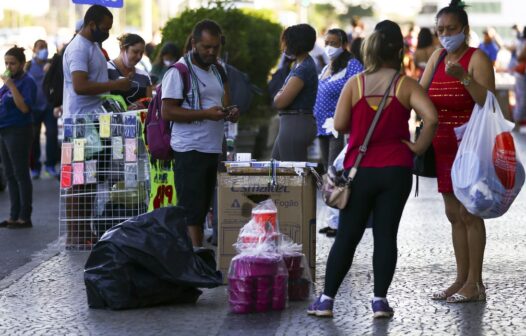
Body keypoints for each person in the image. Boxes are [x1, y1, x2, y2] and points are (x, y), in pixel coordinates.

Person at [307, 20, 438, 318]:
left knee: (347, 236)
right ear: (399, 50)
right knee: (386, 235)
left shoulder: (357, 84)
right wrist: (417, 148)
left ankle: (326, 301)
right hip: (396, 170)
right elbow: (430, 118)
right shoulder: (406, 85)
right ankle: (379, 301)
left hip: (359, 170)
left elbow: (339, 125)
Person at [420, 0, 495, 303]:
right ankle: (460, 279)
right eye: (440, 30)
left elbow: (488, 102)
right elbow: (419, 92)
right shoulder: (437, 57)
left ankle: (475, 284)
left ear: (464, 30)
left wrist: (463, 78)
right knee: (453, 214)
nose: (445, 34)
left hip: (471, 146)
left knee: (470, 213)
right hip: (443, 145)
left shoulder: (477, 58)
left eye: (451, 29)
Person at [161, 19, 238, 248]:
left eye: (215, 47)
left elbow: (220, 101)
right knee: (192, 210)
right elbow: (168, 111)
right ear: (194, 43)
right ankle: (195, 257)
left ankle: (197, 256)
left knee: (203, 206)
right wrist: (205, 113)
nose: (211, 51)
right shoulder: (179, 71)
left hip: (211, 147)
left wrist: (229, 112)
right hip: (189, 148)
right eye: (206, 47)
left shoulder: (216, 69)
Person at [62, 4, 131, 248]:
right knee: (79, 181)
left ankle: (85, 231)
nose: (107, 32)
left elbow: (95, 81)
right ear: (91, 24)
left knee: (90, 179)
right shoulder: (79, 48)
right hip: (81, 123)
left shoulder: (93, 47)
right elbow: (80, 86)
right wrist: (116, 86)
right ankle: (75, 235)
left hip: (93, 121)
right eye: (105, 28)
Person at [314, 28, 363, 237]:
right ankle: (331, 218)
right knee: (328, 172)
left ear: (343, 44)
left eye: (333, 43)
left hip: (339, 127)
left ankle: (338, 220)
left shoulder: (353, 65)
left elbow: (358, 92)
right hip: (322, 128)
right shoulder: (328, 66)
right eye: (327, 42)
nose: (329, 47)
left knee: (337, 171)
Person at [0, 46, 37, 229]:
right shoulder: (8, 82)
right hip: (5, 130)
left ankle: (25, 216)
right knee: (9, 174)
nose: (9, 66)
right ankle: (13, 215)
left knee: (20, 173)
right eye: (6, 63)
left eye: (12, 63)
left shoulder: (26, 82)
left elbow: (24, 108)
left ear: (22, 64)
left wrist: (11, 86)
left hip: (19, 130)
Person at [272, 24, 318, 161]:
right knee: (276, 169)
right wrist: (281, 92)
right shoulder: (299, 64)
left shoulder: (303, 69)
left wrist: (279, 93)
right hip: (292, 122)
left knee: (292, 175)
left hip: (295, 123)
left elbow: (280, 101)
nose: (284, 46)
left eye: (286, 42)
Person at [26, 39, 60, 179]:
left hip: (48, 107)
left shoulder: (51, 64)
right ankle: (35, 168)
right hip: (33, 108)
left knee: (52, 135)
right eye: (40, 47)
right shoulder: (28, 66)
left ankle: (50, 165)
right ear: (34, 50)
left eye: (45, 47)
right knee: (33, 138)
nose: (43, 50)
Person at [107, 33, 152, 104]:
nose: (139, 57)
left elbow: (150, 105)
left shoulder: (144, 76)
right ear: (123, 49)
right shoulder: (106, 69)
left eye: (141, 53)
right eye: (135, 52)